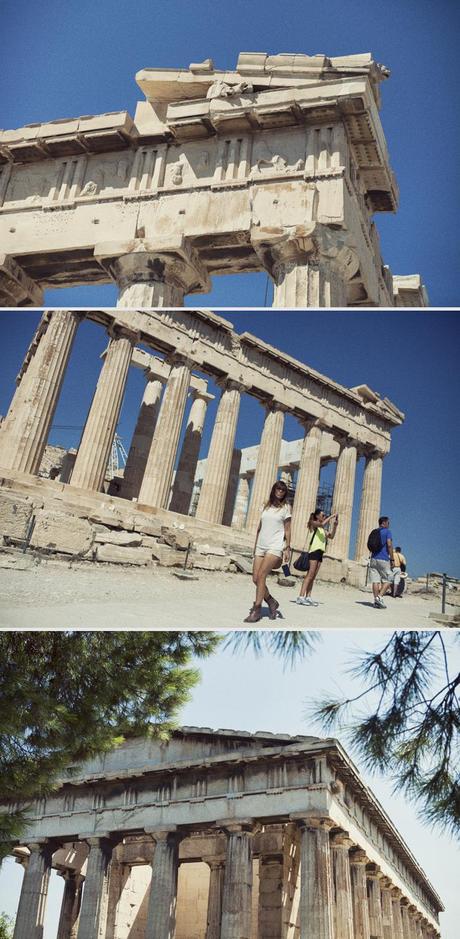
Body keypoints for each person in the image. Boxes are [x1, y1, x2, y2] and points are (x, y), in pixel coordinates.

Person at [244, 480, 291, 623]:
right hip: (261, 545)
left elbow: (288, 529)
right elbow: (259, 527)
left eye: (283, 490)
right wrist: (255, 545)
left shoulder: (286, 508)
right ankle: (271, 601)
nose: (280, 492)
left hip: (275, 546)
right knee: (255, 579)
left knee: (262, 575)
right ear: (274, 490)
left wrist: (288, 547)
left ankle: (257, 610)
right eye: (278, 489)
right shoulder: (265, 505)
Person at [296, 509, 338, 606]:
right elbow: (321, 524)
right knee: (309, 575)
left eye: (324, 516)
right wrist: (331, 517)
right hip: (314, 551)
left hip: (320, 553)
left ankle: (308, 596)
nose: (324, 517)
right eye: (323, 515)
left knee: (313, 576)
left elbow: (331, 536)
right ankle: (301, 596)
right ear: (317, 516)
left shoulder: (323, 530)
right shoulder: (313, 524)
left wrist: (335, 526)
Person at [369, 516, 395, 609]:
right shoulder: (387, 532)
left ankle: (376, 601)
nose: (389, 525)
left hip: (373, 559)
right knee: (390, 579)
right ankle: (379, 597)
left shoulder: (375, 531)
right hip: (383, 559)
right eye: (388, 523)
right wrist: (392, 559)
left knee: (375, 581)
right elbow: (389, 544)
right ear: (384, 523)